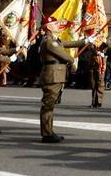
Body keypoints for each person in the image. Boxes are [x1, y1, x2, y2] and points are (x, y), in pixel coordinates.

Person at [38, 16, 88, 144]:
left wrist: (87, 40)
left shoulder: (55, 40)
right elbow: (64, 55)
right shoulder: (49, 41)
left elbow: (69, 43)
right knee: (48, 105)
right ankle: (46, 133)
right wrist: (72, 62)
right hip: (52, 75)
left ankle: (49, 131)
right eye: (55, 24)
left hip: (56, 75)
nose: (58, 25)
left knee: (51, 105)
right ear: (49, 27)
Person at [89, 42, 107, 108]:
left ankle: (99, 102)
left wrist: (101, 49)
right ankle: (93, 102)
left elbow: (107, 44)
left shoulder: (104, 37)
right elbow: (89, 47)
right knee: (93, 84)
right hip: (93, 64)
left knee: (100, 84)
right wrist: (96, 51)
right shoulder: (93, 40)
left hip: (101, 65)